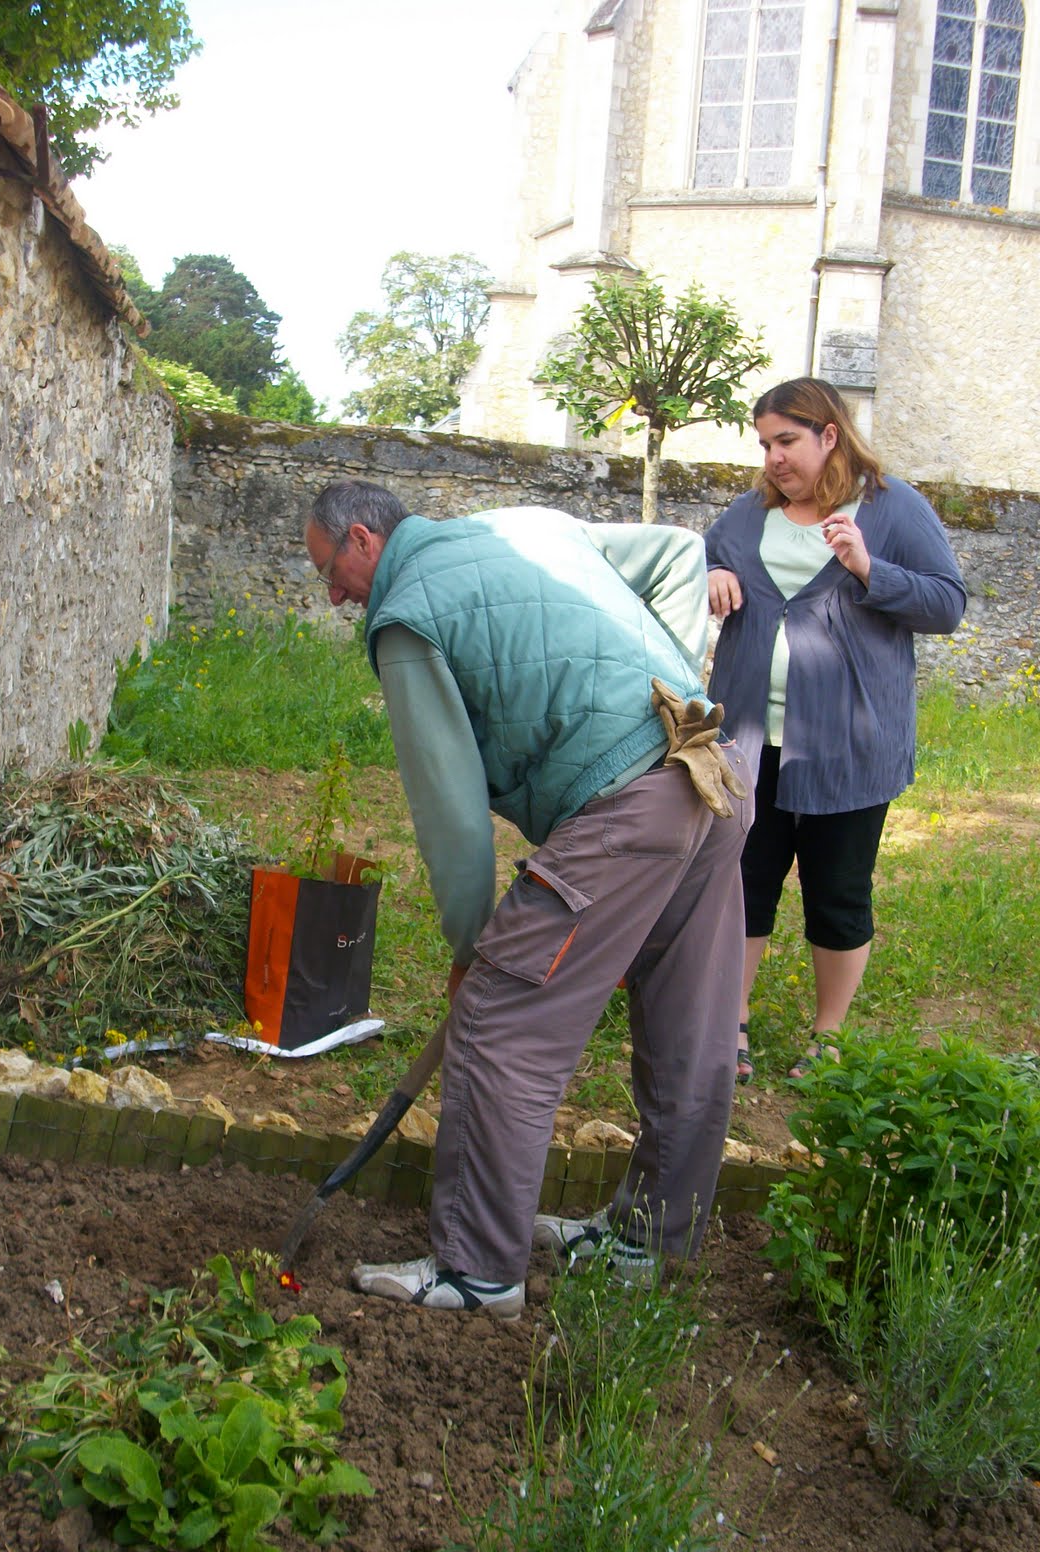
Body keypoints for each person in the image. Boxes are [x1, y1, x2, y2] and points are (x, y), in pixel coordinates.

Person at [303, 479, 752, 1319]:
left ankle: (476, 1272)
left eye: (330, 572)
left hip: (631, 805)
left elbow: (450, 812)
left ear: (364, 540)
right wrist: (671, 686)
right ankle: (648, 1244)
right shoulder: (529, 525)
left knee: (499, 1023)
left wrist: (474, 952)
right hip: (711, 767)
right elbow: (680, 554)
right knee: (690, 1025)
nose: (333, 596)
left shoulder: (405, 616)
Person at [705, 378, 966, 1083]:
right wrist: (714, 573)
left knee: (838, 891)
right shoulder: (748, 512)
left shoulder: (890, 508)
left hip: (851, 745)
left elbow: (947, 605)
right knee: (742, 883)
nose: (773, 458)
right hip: (749, 744)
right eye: (764, 444)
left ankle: (828, 1037)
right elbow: (703, 557)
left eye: (786, 441)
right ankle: (730, 1024)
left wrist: (868, 569)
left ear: (829, 435)